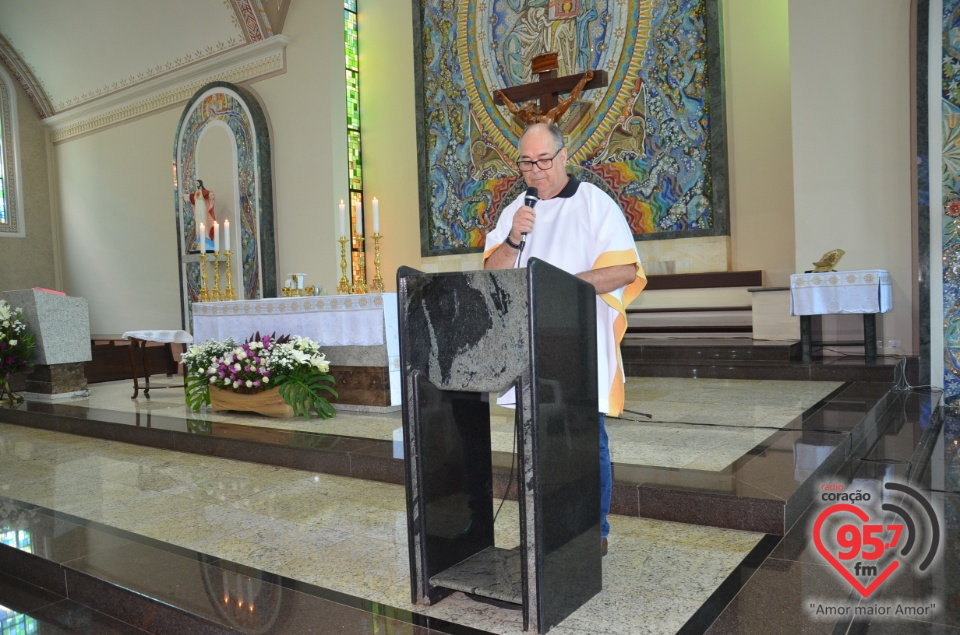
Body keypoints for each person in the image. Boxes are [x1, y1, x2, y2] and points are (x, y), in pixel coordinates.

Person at [483, 122, 646, 556]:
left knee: (586, 440)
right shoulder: (514, 210)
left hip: (579, 342)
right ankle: (542, 529)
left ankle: (596, 532)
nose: (535, 171)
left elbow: (626, 270)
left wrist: (561, 286)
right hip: (531, 344)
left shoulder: (594, 203)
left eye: (543, 161)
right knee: (536, 441)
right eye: (525, 163)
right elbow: (492, 273)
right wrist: (514, 236)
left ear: (563, 155)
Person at [495, 70, 595, 126]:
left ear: (531, 112)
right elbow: (513, 109)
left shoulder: (549, 117)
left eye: (525, 112)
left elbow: (570, 99)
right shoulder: (525, 119)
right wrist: (503, 97)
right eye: (523, 114)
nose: (524, 118)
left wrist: (584, 80)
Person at [187, 180, 216, 251]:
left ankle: (206, 236)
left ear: (200, 184)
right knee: (198, 221)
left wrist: (211, 195)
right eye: (196, 183)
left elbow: (209, 195)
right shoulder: (196, 193)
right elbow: (190, 197)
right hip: (197, 208)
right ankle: (199, 236)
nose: (196, 184)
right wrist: (185, 196)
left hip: (202, 207)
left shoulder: (203, 192)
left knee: (203, 220)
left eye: (197, 183)